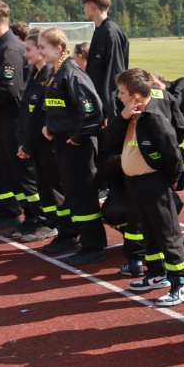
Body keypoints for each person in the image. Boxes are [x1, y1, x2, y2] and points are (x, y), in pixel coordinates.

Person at [116, 69, 184, 306]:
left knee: (167, 234)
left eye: (122, 92)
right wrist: (123, 117)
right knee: (149, 232)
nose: (118, 96)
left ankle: (181, 283)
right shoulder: (130, 114)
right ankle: (157, 274)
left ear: (136, 96)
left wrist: (172, 179)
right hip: (135, 183)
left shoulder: (155, 119)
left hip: (153, 183)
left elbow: (172, 153)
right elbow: (110, 139)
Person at [39, 27, 108, 265]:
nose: (40, 51)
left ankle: (95, 246)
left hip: (77, 146)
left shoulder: (71, 73)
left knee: (84, 195)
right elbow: (62, 109)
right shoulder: (55, 72)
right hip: (63, 144)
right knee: (74, 195)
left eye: (42, 47)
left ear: (58, 48)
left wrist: (78, 137)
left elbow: (93, 112)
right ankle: (82, 241)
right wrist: (51, 127)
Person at [0, 0, 36, 234]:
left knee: (22, 173)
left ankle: (37, 219)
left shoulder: (10, 48)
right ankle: (15, 215)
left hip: (13, 122)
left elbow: (10, 88)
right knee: (9, 172)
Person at [15, 29, 68, 243]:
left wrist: (29, 145)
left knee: (55, 188)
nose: (25, 54)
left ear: (40, 49)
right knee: (45, 188)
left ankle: (61, 228)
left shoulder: (49, 76)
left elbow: (44, 118)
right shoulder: (34, 75)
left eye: (29, 49)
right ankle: (50, 223)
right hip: (35, 145)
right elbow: (28, 115)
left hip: (47, 146)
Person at [81, 0, 129, 107]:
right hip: (98, 100)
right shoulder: (100, 30)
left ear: (92, 5)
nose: (83, 10)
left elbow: (114, 73)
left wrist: (108, 110)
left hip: (108, 104)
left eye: (85, 6)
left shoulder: (110, 32)